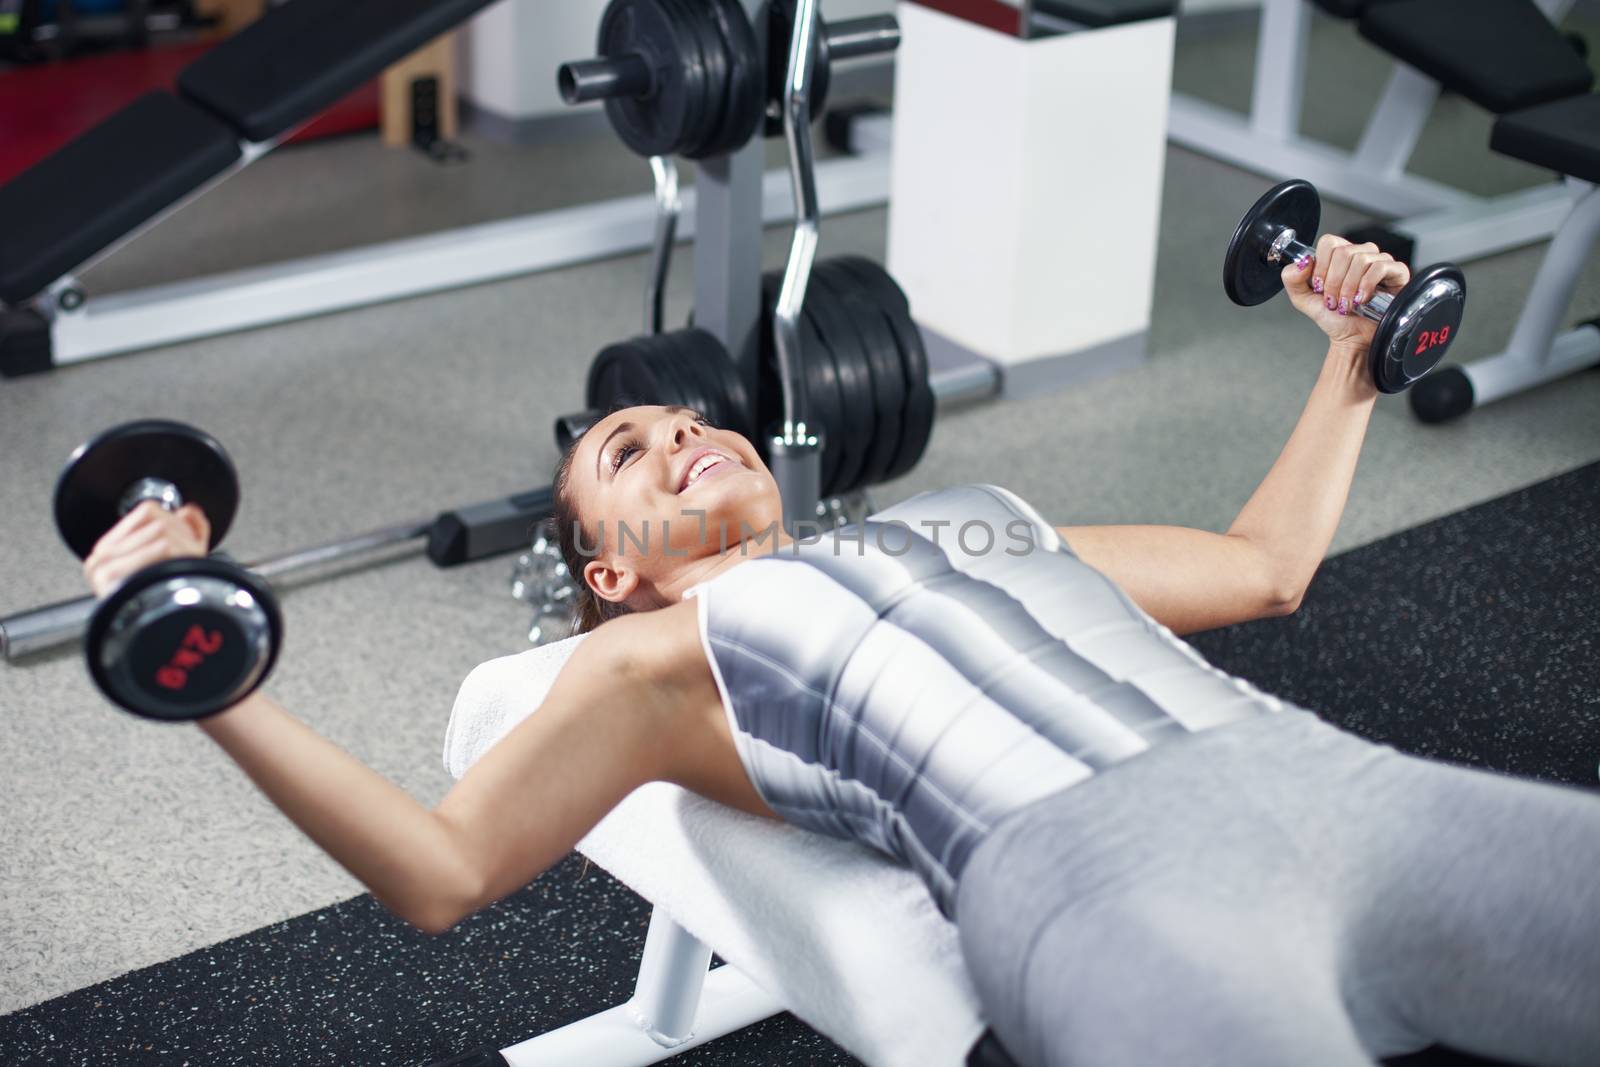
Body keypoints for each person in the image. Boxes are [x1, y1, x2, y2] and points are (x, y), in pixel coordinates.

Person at [83, 236, 1600, 1067]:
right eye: (631, 448)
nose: (683, 434)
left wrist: (1349, 362)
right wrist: (221, 677)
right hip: (1094, 891)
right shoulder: (650, 666)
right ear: (611, 573)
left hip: (1333, 787)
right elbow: (438, 876)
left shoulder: (976, 515)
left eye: (689, 419)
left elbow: (1268, 575)